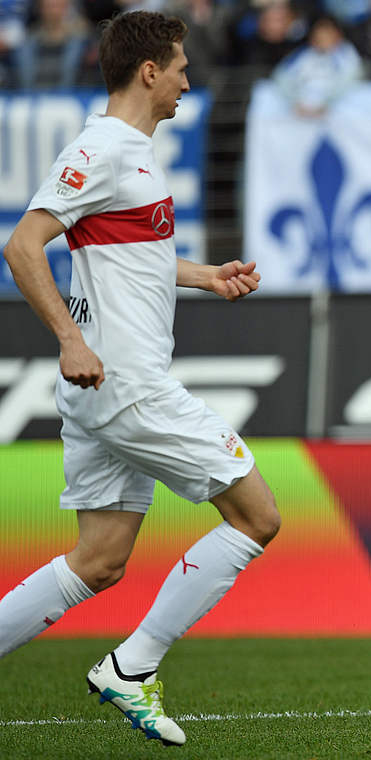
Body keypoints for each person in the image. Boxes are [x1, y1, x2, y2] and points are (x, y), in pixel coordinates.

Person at [0, 10, 280, 747]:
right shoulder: (104, 149)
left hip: (104, 389)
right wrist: (69, 340)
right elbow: (23, 246)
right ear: (149, 71)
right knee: (258, 517)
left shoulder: (135, 155)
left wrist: (204, 276)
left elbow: (132, 256)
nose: (190, 78)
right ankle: (132, 667)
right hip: (124, 382)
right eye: (181, 66)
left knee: (98, 562)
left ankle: (127, 666)